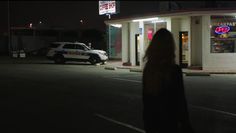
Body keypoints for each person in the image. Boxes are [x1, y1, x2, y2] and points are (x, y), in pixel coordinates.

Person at [142, 28, 194, 133]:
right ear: (170, 47)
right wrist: (186, 124)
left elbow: (146, 100)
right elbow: (180, 101)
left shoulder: (148, 69)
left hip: (152, 122)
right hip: (170, 123)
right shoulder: (174, 70)